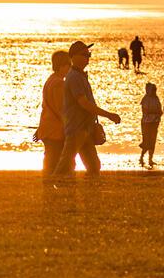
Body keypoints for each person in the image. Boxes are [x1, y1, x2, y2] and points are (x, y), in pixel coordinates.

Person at [63, 40, 121, 174]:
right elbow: (84, 103)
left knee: (94, 165)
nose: (88, 58)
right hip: (77, 129)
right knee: (65, 165)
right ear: (74, 57)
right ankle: (55, 189)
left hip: (85, 129)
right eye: (84, 55)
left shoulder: (80, 76)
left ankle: (89, 191)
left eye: (89, 55)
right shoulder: (74, 77)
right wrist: (109, 115)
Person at [34, 49, 71, 177]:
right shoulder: (58, 84)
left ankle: (49, 186)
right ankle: (51, 186)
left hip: (47, 127)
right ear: (61, 66)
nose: (70, 68)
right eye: (68, 65)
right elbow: (61, 110)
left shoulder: (50, 80)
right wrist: (70, 127)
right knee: (55, 161)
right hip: (55, 130)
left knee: (51, 159)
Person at [138, 83, 162, 168]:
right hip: (146, 123)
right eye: (153, 90)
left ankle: (150, 159)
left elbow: (159, 109)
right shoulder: (145, 99)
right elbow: (146, 111)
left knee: (153, 141)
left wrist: (158, 114)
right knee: (147, 142)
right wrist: (156, 113)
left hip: (155, 122)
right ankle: (141, 157)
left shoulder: (156, 98)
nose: (154, 91)